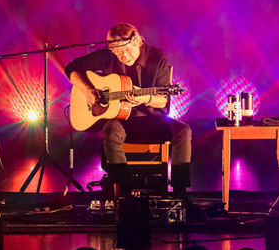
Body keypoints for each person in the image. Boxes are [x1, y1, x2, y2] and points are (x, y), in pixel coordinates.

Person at [64, 23, 191, 197]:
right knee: (110, 130)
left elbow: (163, 100)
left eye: (127, 50)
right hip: (122, 121)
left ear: (138, 41)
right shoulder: (107, 56)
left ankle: (180, 192)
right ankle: (123, 190)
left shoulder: (157, 57)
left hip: (152, 121)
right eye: (118, 53)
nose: (124, 56)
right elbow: (71, 68)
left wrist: (145, 98)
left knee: (183, 130)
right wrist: (87, 90)